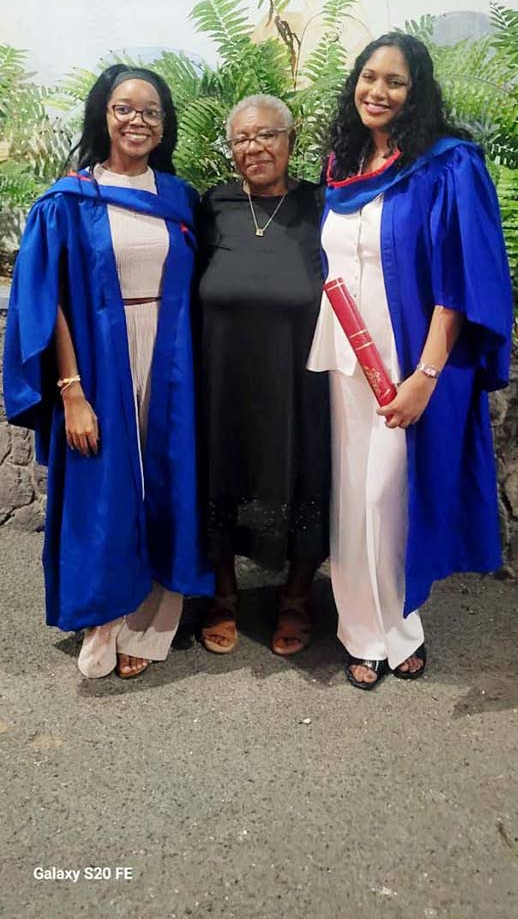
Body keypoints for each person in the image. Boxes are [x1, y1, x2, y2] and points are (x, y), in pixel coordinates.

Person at [308, 34, 512, 690]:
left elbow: (461, 281)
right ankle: (360, 632)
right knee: (351, 497)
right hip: (344, 352)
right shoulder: (341, 164)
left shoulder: (445, 165)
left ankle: (401, 626)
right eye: (370, 77)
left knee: (389, 494)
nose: (379, 91)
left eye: (395, 81)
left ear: (416, 91)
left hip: (408, 358)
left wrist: (425, 377)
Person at [3, 64, 213, 679]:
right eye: (125, 108)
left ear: (164, 123)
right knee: (107, 489)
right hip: (98, 360)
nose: (137, 120)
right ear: (104, 114)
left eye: (150, 110)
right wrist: (72, 391)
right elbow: (52, 300)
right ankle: (105, 619)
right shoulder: (69, 198)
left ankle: (151, 629)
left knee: (167, 482)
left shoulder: (178, 199)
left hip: (171, 356)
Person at [197, 94, 330, 655]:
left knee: (304, 478)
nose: (254, 148)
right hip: (222, 379)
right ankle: (223, 597)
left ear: (289, 138)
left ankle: (295, 600)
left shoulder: (320, 206)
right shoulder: (212, 206)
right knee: (221, 476)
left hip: (301, 381)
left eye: (266, 135)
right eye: (242, 139)